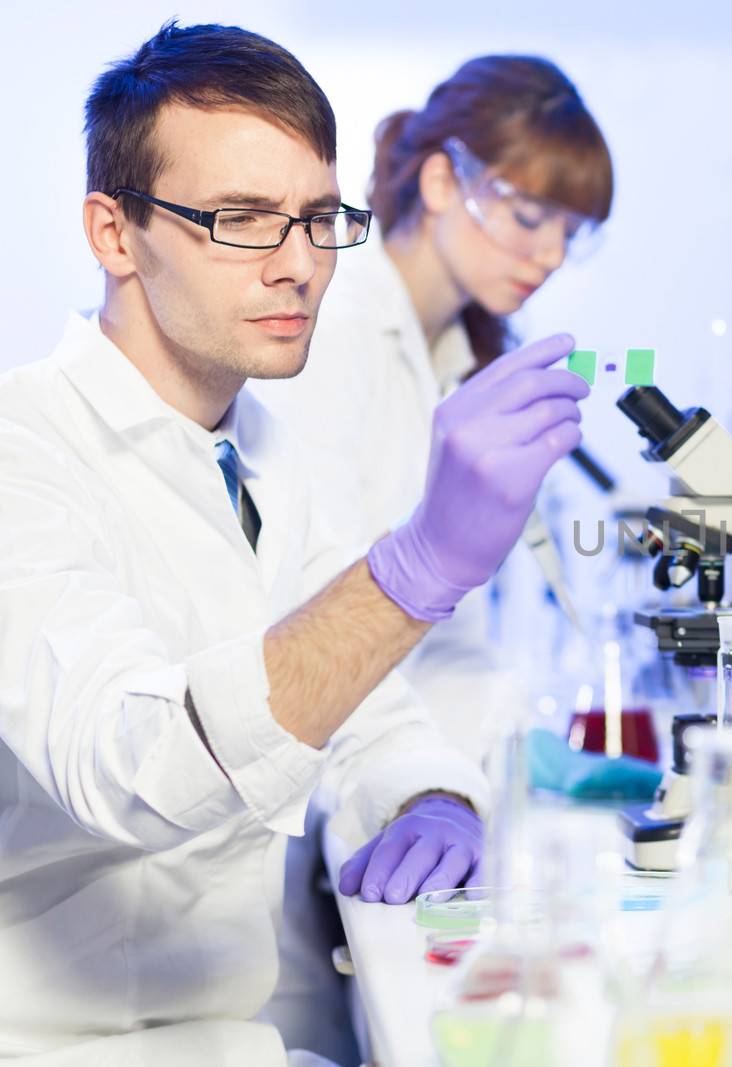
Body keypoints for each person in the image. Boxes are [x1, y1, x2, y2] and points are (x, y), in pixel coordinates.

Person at [0, 22, 585, 1066]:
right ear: (114, 233)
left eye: (318, 220)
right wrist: (417, 570)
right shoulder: (23, 450)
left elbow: (368, 712)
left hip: (230, 1041)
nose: (300, 266)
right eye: (241, 221)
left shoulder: (261, 450)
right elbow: (133, 764)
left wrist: (430, 795)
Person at [255, 55, 613, 754]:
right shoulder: (330, 324)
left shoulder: (456, 360)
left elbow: (449, 636)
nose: (549, 256)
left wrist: (491, 767)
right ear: (443, 180)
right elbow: (316, 603)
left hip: (385, 753)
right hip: (305, 753)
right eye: (531, 216)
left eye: (569, 234)